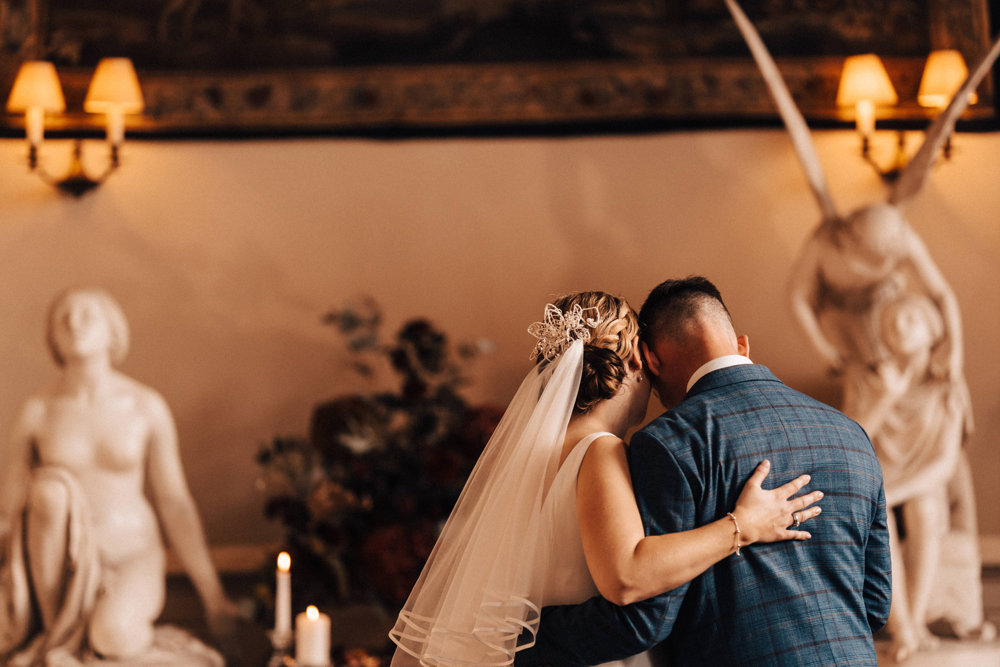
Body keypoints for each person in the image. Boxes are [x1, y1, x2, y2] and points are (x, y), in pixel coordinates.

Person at [388, 290, 823, 666]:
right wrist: (742, 527)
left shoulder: (536, 456)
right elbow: (627, 574)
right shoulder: (598, 450)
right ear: (636, 360)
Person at [515, 277, 892, 666]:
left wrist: (514, 637)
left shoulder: (667, 442)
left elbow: (646, 621)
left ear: (652, 360)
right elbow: (877, 606)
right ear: (742, 345)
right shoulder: (851, 434)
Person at [0, 286, 238, 664]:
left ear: (113, 332)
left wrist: (213, 597)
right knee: (47, 491)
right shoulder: (37, 412)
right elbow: (9, 512)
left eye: (87, 314)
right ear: (53, 339)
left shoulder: (144, 406)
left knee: (115, 636)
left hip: (132, 551)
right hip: (59, 571)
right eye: (63, 317)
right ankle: (56, 635)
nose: (74, 323)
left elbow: (175, 504)